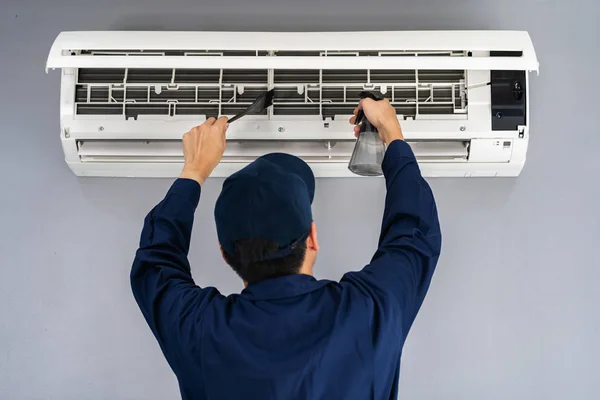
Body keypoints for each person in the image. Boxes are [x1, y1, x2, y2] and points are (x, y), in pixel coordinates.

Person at [130, 98, 441, 400]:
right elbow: (414, 234)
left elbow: (155, 261)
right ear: (312, 239)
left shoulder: (199, 331)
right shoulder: (368, 311)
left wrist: (194, 171)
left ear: (225, 253)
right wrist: (390, 131)